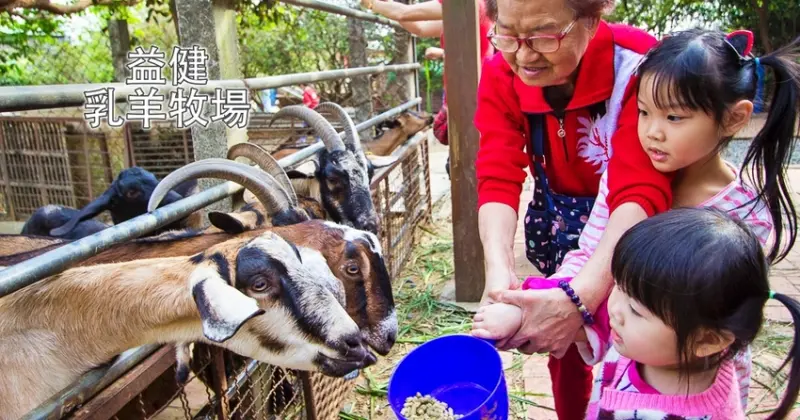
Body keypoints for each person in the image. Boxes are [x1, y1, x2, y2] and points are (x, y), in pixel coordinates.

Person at [475, 28, 800, 416]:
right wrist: (530, 301)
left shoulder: (744, 216)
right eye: (643, 112)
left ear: (733, 119)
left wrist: (586, 319)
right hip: (625, 367)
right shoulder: (624, 176)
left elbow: (708, 321)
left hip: (692, 392)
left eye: (674, 116)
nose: (652, 132)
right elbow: (589, 253)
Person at [473, 0, 671, 416]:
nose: (524, 55)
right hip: (560, 223)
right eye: (508, 35)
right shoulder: (500, 71)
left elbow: (639, 189)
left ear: (593, 18)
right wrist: (499, 272)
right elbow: (498, 172)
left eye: (544, 36)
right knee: (563, 347)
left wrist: (579, 299)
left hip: (629, 228)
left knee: (637, 336)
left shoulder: (638, 66)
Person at [590, 209, 800, 418]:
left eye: (635, 310)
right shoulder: (651, 345)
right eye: (617, 285)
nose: (615, 310)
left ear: (706, 340)